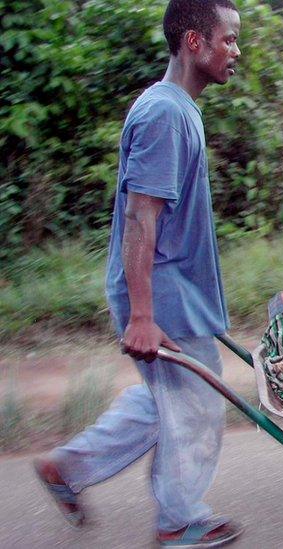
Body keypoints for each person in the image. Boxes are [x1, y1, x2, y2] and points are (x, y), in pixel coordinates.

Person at [33, 1, 243, 546]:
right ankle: (178, 521)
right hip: (161, 290)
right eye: (228, 39)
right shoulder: (165, 114)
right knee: (195, 402)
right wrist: (143, 315)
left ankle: (68, 467)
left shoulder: (178, 108)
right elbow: (140, 216)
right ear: (194, 41)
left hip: (177, 288)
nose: (236, 51)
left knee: (166, 397)